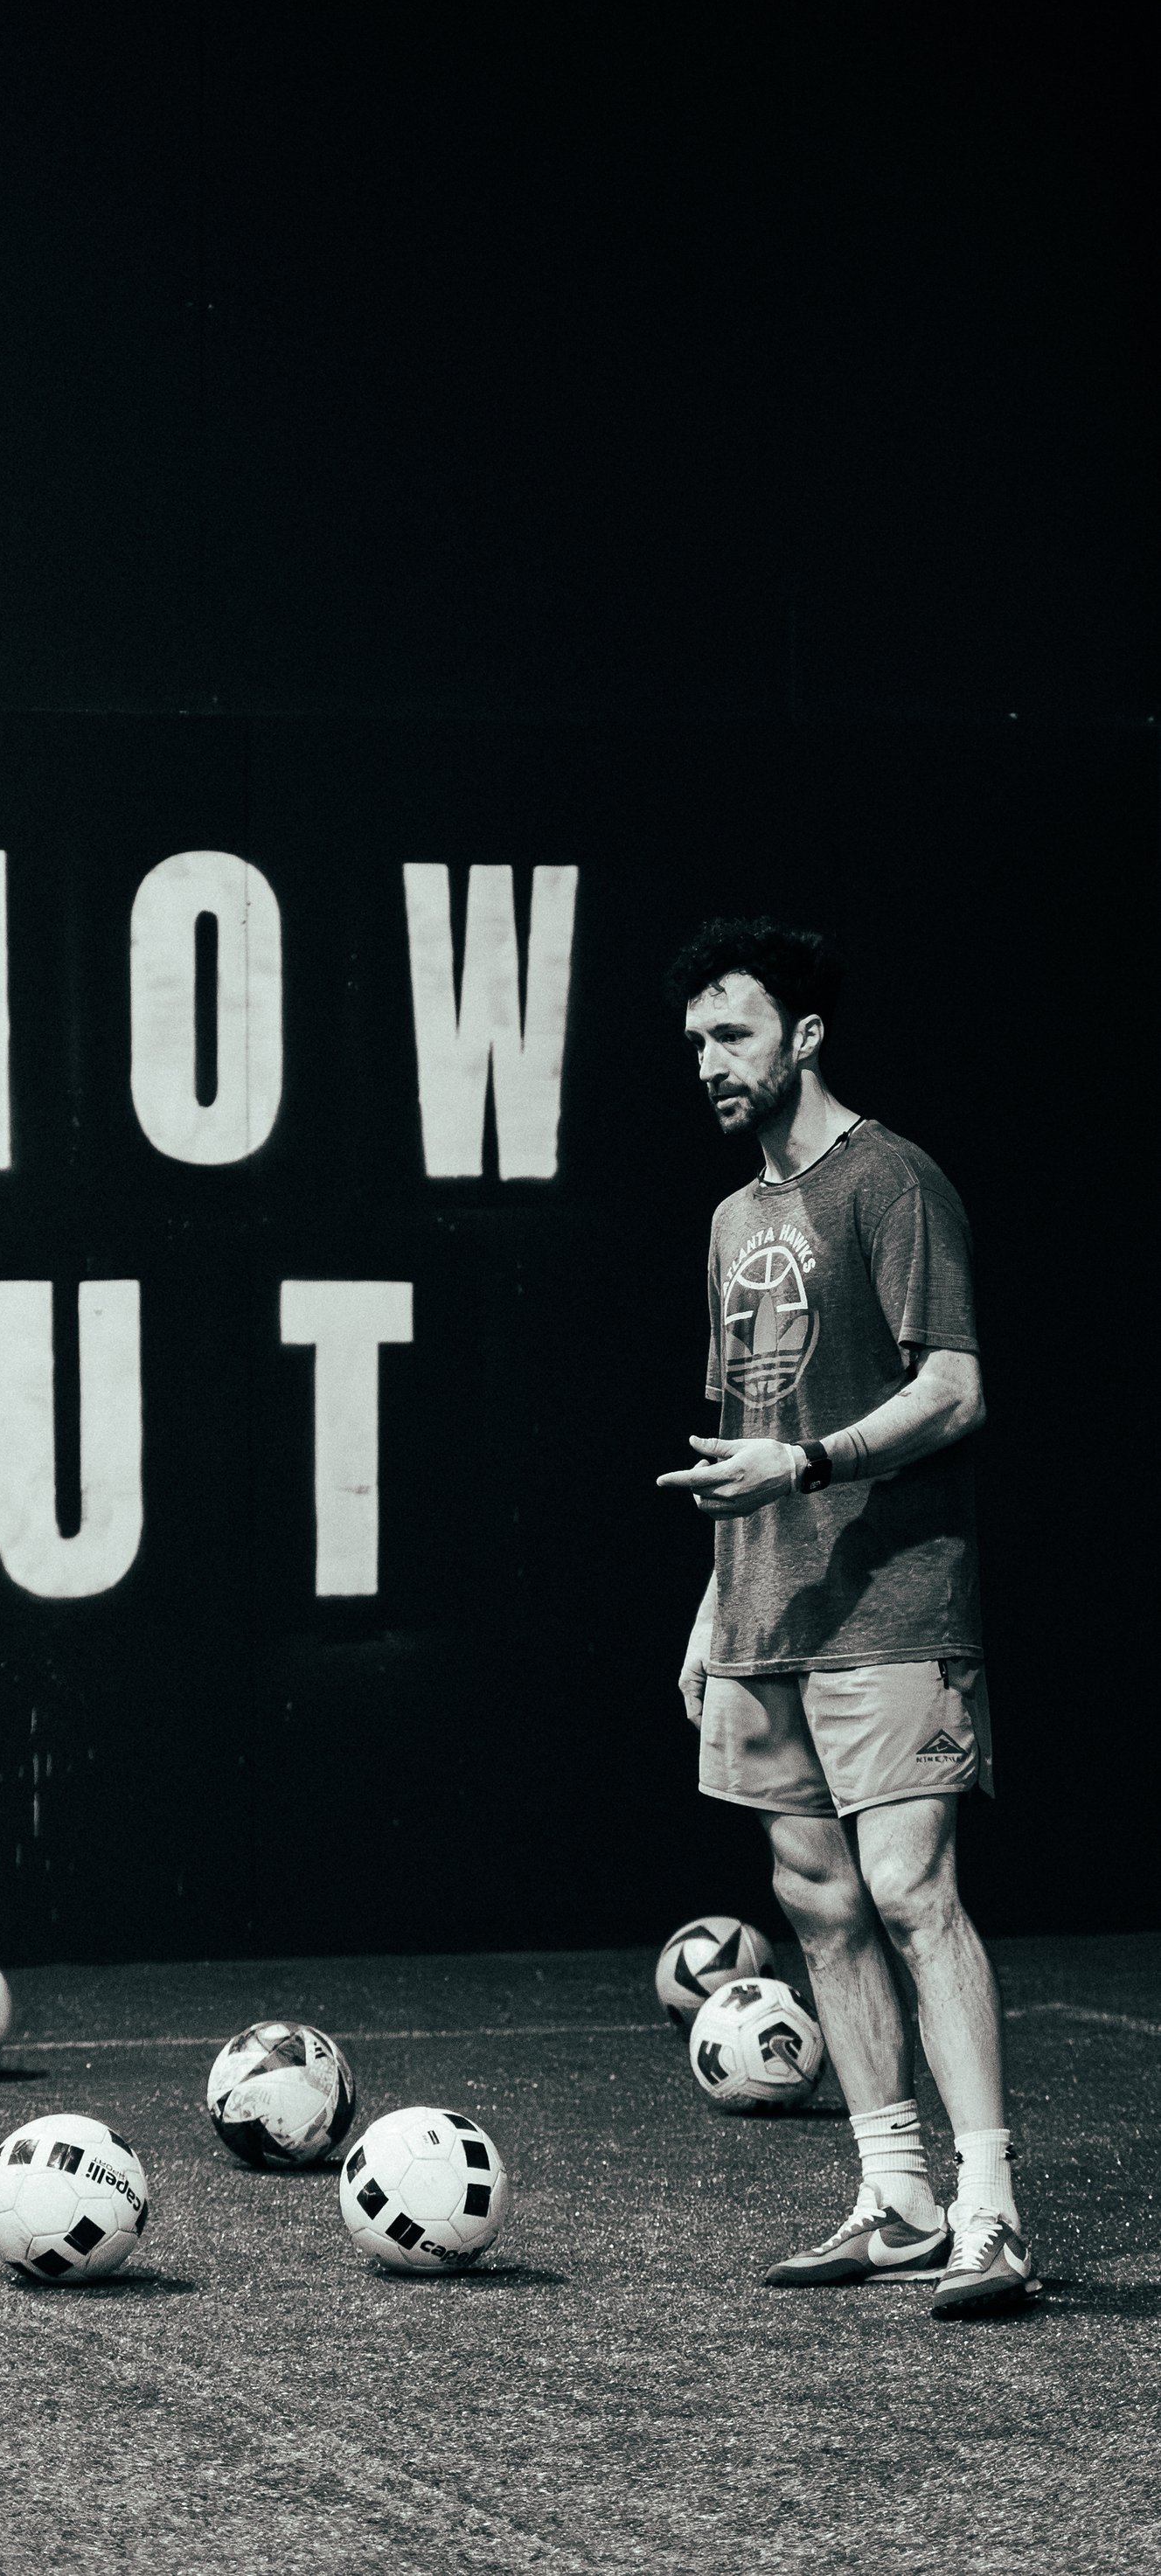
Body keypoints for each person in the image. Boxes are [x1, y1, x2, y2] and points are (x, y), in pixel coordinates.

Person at [656, 917, 1033, 2316]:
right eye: (696, 1039)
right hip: (767, 1606)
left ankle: (991, 2210)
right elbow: (752, 1424)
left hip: (890, 1598)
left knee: (910, 1890)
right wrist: (715, 1600)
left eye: (734, 1033)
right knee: (815, 1902)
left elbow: (955, 1388)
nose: (709, 1061)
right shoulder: (727, 1221)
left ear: (805, 1037)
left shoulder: (892, 1180)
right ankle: (897, 2195)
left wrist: (808, 1469)